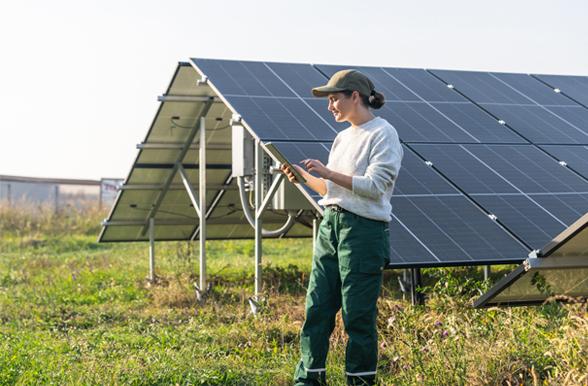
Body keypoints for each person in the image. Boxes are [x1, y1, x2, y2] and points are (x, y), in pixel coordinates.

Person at [281, 69, 403, 386]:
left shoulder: (382, 134)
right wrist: (304, 178)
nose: (330, 106)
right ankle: (308, 380)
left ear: (355, 96)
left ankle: (359, 382)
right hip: (330, 225)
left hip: (363, 232)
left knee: (357, 316)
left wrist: (329, 173)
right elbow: (333, 192)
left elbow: (376, 187)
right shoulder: (342, 137)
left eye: (334, 99)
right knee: (317, 308)